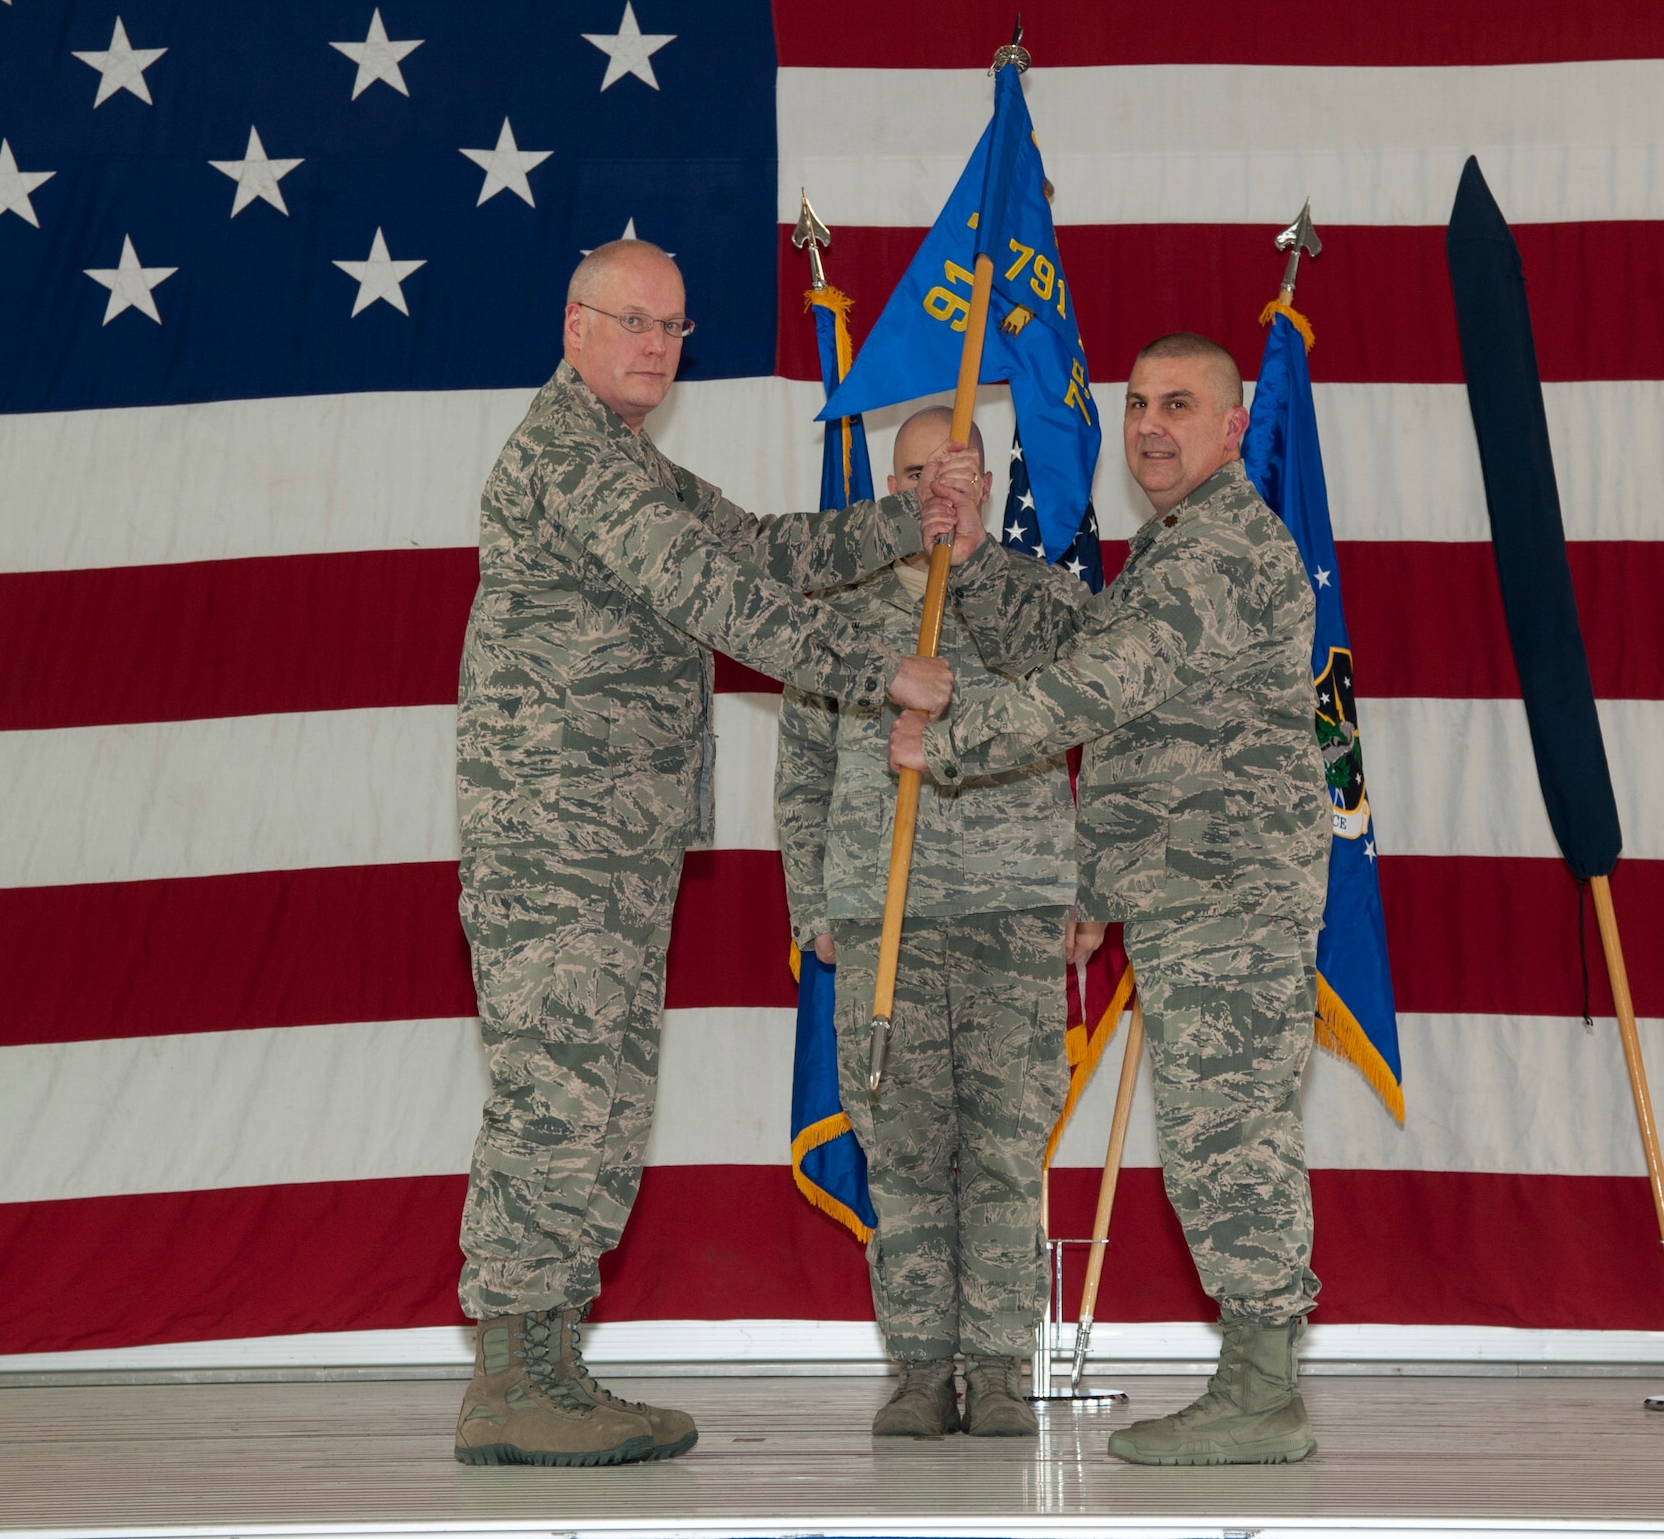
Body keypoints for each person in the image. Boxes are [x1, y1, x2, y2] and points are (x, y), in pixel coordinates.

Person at [453, 239, 955, 1468]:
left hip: (613, 841)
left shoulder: (634, 463)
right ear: (574, 327)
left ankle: (552, 1369)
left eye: (673, 328)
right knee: (555, 1098)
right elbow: (714, 599)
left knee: (605, 1101)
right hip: (553, 836)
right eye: (631, 322)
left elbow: (757, 552)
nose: (654, 347)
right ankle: (508, 1378)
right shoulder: (571, 455)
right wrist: (875, 666)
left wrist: (901, 519)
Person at [891, 333, 1331, 1466]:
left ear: (1234, 427)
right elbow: (1092, 640)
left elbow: (1093, 686)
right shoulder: (1177, 546)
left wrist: (947, 735)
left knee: (1227, 1139)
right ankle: (1254, 1379)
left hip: (1229, 896)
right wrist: (979, 561)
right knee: (1211, 1133)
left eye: (1178, 405)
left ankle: (1262, 1393)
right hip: (1193, 891)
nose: (1147, 425)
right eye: (1135, 403)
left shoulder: (1220, 551)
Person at [776, 406, 1106, 1438]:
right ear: (892, 484)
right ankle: (920, 1368)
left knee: (1005, 1147)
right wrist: (812, 901)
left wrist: (1086, 893)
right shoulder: (838, 610)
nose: (935, 489)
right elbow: (803, 770)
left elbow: (1107, 748)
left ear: (987, 487)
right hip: (884, 910)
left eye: (953, 471)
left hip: (1013, 907)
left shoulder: (1041, 602)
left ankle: (1002, 1367)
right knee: (906, 1150)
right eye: (915, 472)